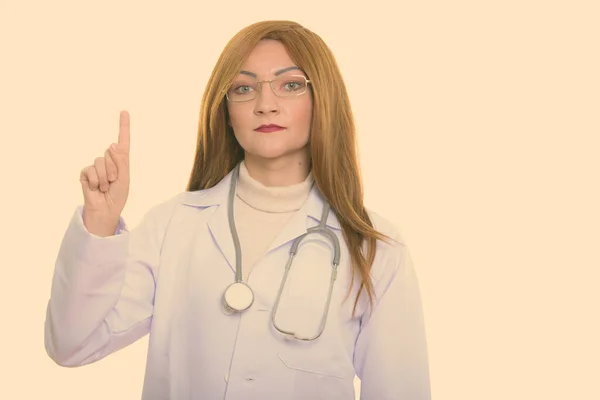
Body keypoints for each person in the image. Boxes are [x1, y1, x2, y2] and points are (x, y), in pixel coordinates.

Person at [44, 20, 431, 400]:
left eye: (291, 85)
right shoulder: (173, 225)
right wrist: (99, 220)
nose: (266, 105)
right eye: (243, 88)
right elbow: (72, 345)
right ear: (225, 110)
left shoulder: (374, 247)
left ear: (322, 99)